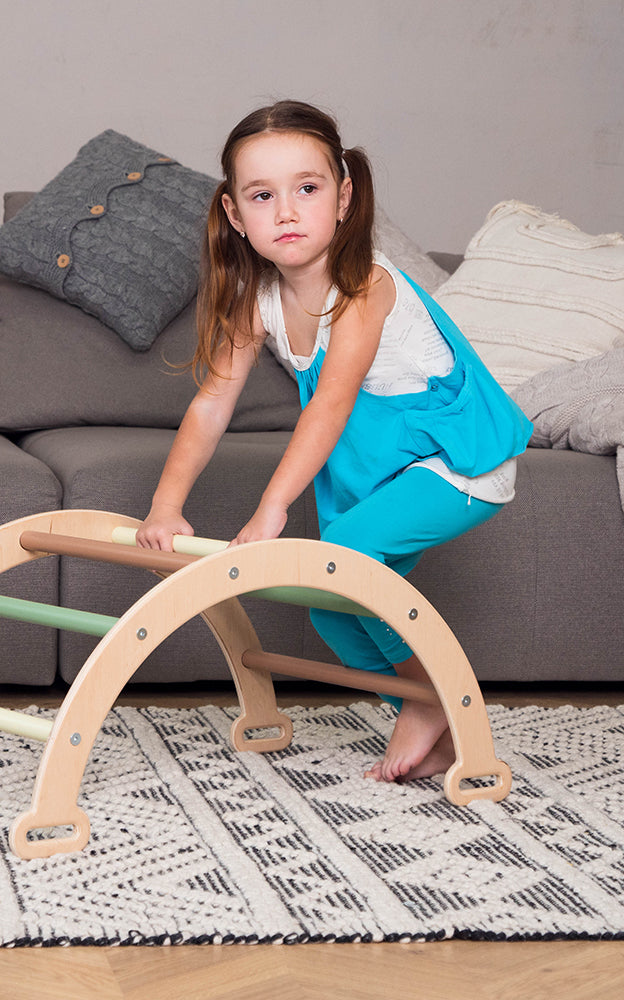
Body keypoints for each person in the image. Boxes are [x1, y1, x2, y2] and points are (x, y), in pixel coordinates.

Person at [136, 100, 532, 784]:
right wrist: (164, 506)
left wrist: (271, 509)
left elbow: (330, 404)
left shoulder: (365, 288)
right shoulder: (257, 296)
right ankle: (433, 734)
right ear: (235, 215)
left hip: (458, 461)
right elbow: (211, 404)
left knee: (343, 557)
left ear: (344, 198)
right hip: (387, 466)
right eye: (263, 196)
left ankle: (428, 703)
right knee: (329, 603)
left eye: (308, 189)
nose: (286, 212)